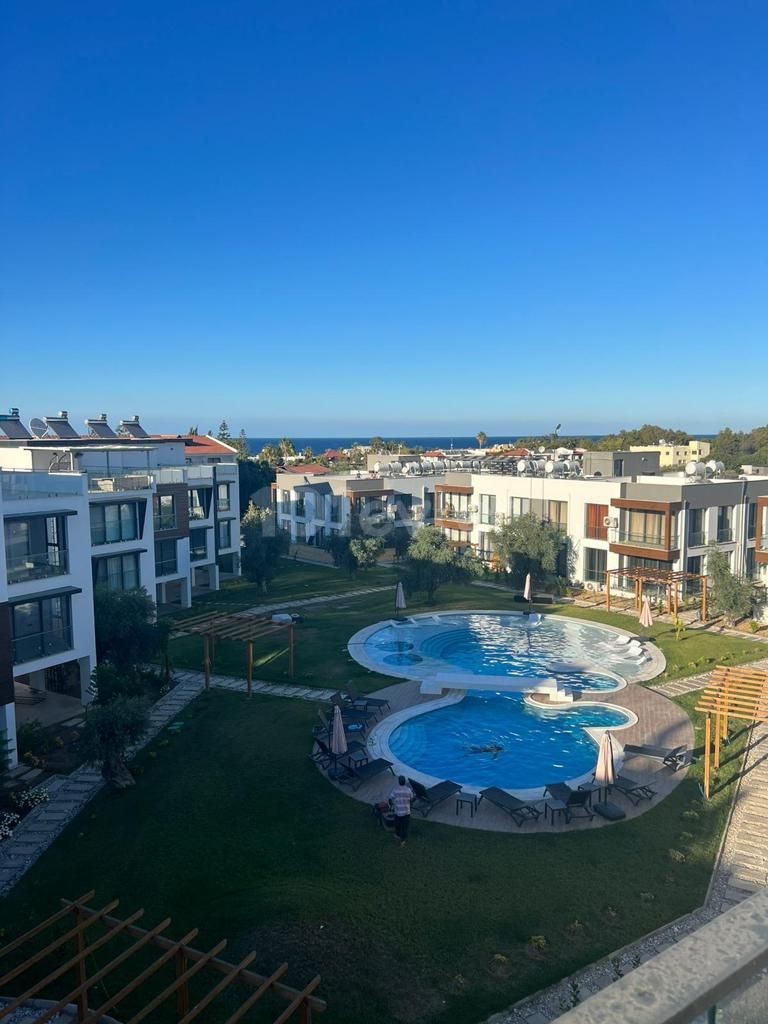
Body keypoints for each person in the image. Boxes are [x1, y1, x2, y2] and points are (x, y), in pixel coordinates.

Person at [388, 775, 414, 847]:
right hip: (406, 812)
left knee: (398, 825)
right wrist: (410, 804)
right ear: (405, 782)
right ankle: (403, 841)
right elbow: (411, 799)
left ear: (399, 782)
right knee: (405, 827)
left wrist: (391, 805)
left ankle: (397, 835)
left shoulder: (395, 790)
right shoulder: (408, 790)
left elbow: (390, 799)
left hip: (398, 812)